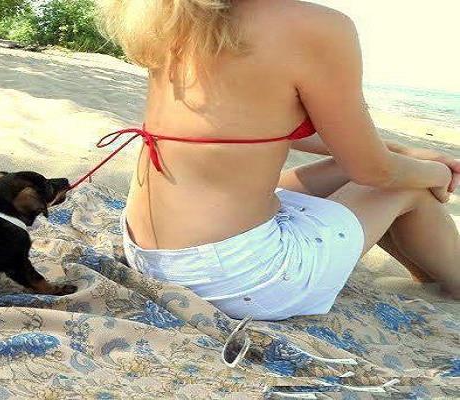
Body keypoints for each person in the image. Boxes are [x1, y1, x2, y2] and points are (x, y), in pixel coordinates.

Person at [95, 0, 460, 320]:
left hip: (148, 253)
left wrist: (406, 153)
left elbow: (257, 126)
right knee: (407, 188)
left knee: (378, 169)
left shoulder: (186, 16)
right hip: (231, 277)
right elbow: (372, 170)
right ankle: (452, 283)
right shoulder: (314, 25)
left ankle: (429, 275)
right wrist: (437, 173)